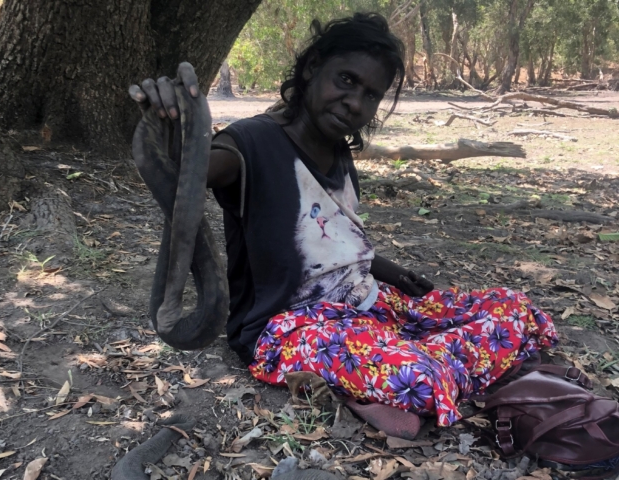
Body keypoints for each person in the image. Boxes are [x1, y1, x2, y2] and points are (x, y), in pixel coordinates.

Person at [129, 13, 557, 426]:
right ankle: (435, 369)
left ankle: (411, 369)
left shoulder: (338, 151)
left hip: (364, 304)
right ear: (313, 68)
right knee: (420, 379)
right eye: (346, 80)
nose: (355, 102)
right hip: (291, 328)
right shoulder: (249, 144)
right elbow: (191, 175)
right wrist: (169, 124)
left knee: (517, 308)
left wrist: (391, 271)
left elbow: (332, 239)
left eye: (370, 94)